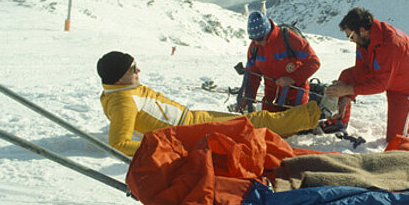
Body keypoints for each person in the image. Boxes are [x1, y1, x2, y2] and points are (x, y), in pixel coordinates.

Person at [97, 51, 321, 156]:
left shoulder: (124, 90)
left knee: (251, 121)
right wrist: (162, 149)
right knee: (253, 123)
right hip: (188, 130)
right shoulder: (122, 102)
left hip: (192, 118)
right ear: (118, 78)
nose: (138, 71)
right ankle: (317, 114)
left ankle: (311, 113)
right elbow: (119, 142)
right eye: (132, 70)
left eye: (136, 65)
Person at [323, 7, 409, 142]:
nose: (350, 40)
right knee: (347, 76)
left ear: (362, 30)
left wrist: (348, 90)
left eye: (351, 36)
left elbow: (380, 85)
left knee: (396, 139)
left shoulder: (391, 44)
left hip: (406, 86)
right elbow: (360, 70)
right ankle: (339, 121)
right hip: (386, 76)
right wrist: (348, 96)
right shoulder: (364, 40)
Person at [237, 11, 321, 112]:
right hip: (271, 97)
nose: (256, 42)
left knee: (295, 126)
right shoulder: (254, 48)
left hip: (295, 96)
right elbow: (253, 75)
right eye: (253, 39)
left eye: (259, 39)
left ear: (267, 32)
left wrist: (292, 78)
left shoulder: (289, 39)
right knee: (268, 126)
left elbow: (313, 62)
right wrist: (248, 97)